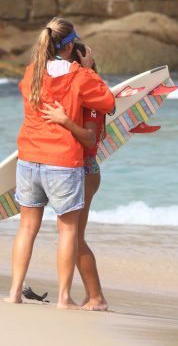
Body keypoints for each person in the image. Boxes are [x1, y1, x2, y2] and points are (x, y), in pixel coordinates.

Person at [4, 17, 115, 309]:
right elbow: (108, 103)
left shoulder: (31, 74)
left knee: (26, 228)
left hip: (28, 158)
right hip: (63, 161)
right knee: (68, 232)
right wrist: (89, 70)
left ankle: (14, 292)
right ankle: (64, 298)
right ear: (69, 47)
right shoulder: (81, 77)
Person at [40, 55, 109, 311]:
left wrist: (65, 121)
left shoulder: (93, 98)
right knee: (74, 236)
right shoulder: (83, 94)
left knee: (76, 237)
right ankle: (92, 296)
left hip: (85, 170)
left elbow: (90, 139)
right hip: (73, 168)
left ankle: (97, 297)